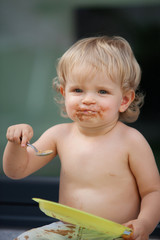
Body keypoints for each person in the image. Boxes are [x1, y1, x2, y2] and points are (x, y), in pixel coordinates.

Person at [3, 36, 160, 240]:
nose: (87, 100)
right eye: (77, 90)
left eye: (102, 91)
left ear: (124, 100)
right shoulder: (59, 135)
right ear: (64, 93)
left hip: (116, 233)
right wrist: (15, 144)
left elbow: (153, 191)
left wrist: (144, 223)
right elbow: (16, 171)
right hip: (67, 229)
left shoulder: (131, 141)